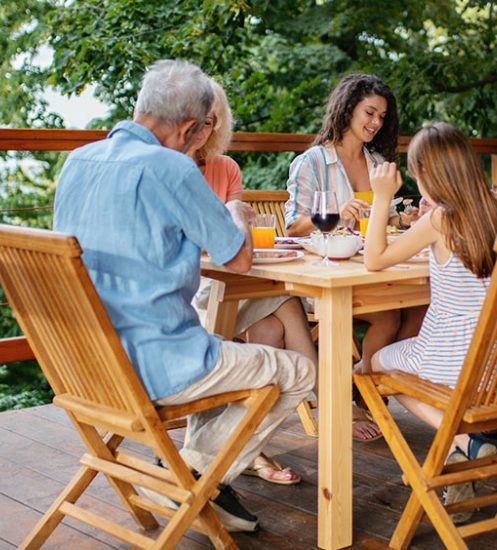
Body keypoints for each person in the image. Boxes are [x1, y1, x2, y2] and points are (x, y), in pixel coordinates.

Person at [51, 59, 315, 533]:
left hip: (82, 364)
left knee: (221, 341)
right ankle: (186, 476)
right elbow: (235, 259)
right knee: (298, 370)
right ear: (191, 128)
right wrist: (236, 212)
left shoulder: (78, 161)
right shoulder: (170, 167)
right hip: (160, 365)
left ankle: (188, 477)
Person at [363, 123, 497, 523]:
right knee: (394, 361)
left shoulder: (442, 219)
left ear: (430, 173)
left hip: (454, 360)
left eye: (416, 173)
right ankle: (456, 455)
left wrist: (381, 199)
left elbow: (374, 259)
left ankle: (460, 440)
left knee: (372, 368)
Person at [283, 73, 423, 442]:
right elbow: (291, 227)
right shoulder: (311, 163)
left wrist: (401, 218)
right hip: (326, 275)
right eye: (370, 113)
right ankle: (364, 387)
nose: (376, 123)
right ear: (347, 110)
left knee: (421, 307)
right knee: (390, 314)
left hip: (372, 269)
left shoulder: (377, 161)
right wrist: (335, 212)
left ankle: (364, 382)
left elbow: (379, 220)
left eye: (381, 117)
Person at [187, 79, 310, 485]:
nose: (204, 133)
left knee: (281, 308)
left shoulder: (227, 168)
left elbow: (235, 248)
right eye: (199, 123)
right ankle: (247, 447)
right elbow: (216, 241)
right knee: (276, 317)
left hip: (231, 281)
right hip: (197, 290)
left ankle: (248, 443)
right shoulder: (173, 170)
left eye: (212, 123)